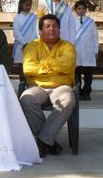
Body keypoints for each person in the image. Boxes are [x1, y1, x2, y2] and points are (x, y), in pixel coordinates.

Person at [20, 14, 76, 158]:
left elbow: (68, 64)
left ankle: (42, 142)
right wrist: (56, 65)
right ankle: (48, 141)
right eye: (47, 26)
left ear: (59, 29)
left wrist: (43, 65)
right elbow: (28, 68)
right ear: (40, 30)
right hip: (37, 86)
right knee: (26, 99)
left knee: (68, 100)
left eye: (55, 26)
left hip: (61, 86)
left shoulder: (68, 47)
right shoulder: (32, 46)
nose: (52, 29)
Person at [73, 0, 99, 101]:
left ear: (86, 10)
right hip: (76, 52)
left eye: (83, 8)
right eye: (79, 8)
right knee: (77, 74)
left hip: (89, 52)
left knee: (88, 76)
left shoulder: (90, 22)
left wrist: (96, 51)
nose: (81, 10)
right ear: (75, 10)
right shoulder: (72, 21)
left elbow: (95, 38)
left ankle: (87, 92)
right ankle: (78, 92)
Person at [12, 0, 39, 65]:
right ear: (21, 5)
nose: (28, 7)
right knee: (20, 69)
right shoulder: (16, 18)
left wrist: (29, 45)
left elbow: (35, 31)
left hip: (32, 46)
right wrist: (24, 44)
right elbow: (16, 33)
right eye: (26, 5)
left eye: (30, 5)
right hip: (20, 46)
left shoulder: (35, 17)